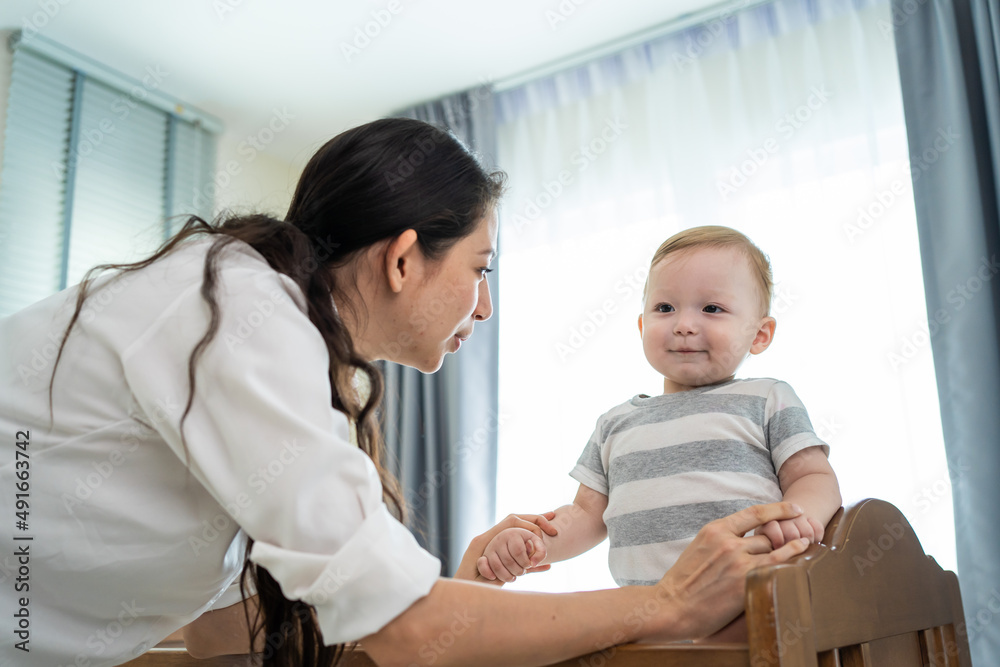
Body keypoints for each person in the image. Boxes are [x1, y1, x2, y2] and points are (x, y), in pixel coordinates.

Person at [0, 121, 812, 667]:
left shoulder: (279, 345)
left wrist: (446, 596)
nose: (485, 306)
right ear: (402, 260)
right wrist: (662, 606)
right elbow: (404, 629)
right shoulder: (240, 316)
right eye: (480, 270)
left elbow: (239, 624)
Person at [476, 227, 841, 636]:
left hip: (751, 609)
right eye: (665, 308)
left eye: (712, 309)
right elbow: (585, 516)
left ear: (759, 334)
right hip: (648, 621)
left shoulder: (767, 398)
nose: (684, 324)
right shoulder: (616, 424)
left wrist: (800, 517)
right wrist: (534, 544)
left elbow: (812, 476)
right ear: (640, 325)